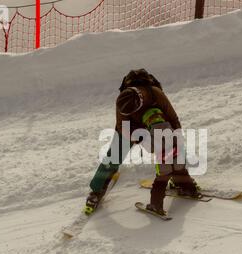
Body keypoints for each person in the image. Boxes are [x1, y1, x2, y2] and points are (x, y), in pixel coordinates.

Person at [85, 69, 200, 215]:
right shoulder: (122, 100)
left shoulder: (156, 94)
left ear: (139, 103)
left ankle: (181, 182)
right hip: (130, 128)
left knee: (171, 149)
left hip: (155, 122)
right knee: (114, 156)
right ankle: (96, 190)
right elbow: (122, 126)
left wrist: (177, 139)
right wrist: (138, 137)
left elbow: (173, 118)